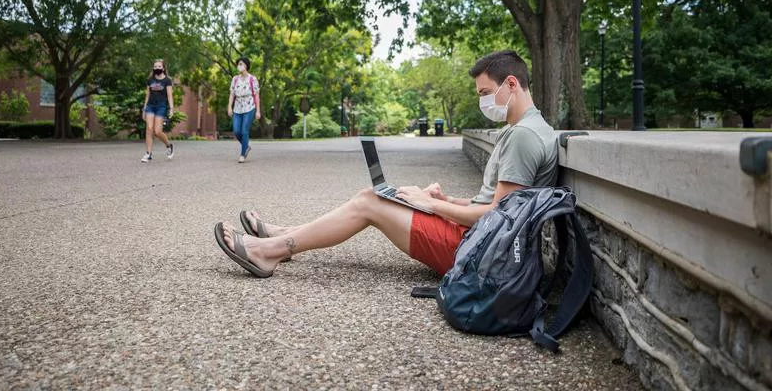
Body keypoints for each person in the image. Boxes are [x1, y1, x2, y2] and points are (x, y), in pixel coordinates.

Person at [214, 50, 558, 278]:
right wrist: (445, 201)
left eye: (485, 93)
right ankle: (282, 234)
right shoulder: (527, 130)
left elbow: (498, 217)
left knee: (369, 202)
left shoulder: (523, 136)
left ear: (511, 84)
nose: (482, 100)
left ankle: (269, 251)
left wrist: (432, 205)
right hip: (479, 239)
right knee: (375, 195)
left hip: (477, 253)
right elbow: (498, 205)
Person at [227, 56, 261, 163]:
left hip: (249, 107)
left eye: (241, 64)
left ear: (246, 66)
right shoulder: (235, 79)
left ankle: (242, 154)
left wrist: (258, 110)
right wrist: (229, 107)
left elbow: (256, 96)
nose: (239, 66)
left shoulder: (252, 79)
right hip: (237, 107)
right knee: (237, 131)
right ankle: (246, 146)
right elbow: (232, 94)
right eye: (238, 64)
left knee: (244, 130)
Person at [141, 59, 174, 163]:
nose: (157, 68)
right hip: (150, 106)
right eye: (155, 67)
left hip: (161, 106)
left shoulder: (167, 80)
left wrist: (172, 109)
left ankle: (169, 145)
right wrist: (144, 109)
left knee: (157, 131)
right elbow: (147, 95)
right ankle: (148, 154)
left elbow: (169, 96)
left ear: (163, 68)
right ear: (153, 68)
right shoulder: (150, 80)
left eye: (159, 67)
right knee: (149, 129)